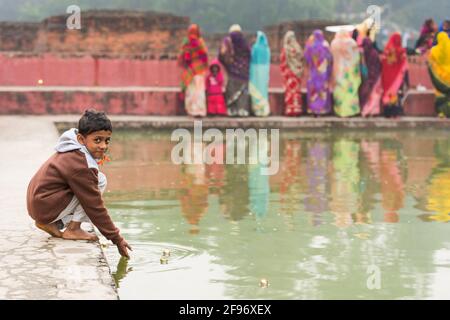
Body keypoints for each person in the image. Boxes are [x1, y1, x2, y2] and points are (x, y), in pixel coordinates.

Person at [26, 109, 132, 258]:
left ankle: (52, 223)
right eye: (97, 140)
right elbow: (94, 206)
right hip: (44, 206)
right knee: (97, 183)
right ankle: (73, 229)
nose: (103, 146)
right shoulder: (81, 165)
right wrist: (116, 238)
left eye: (107, 140)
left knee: (98, 178)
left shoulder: (73, 146)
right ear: (81, 139)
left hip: (40, 204)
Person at [219, 24, 252, 117]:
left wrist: (228, 65)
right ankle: (243, 111)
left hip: (232, 71)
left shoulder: (228, 41)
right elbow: (249, 55)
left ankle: (232, 111)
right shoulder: (245, 43)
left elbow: (221, 55)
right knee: (243, 92)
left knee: (232, 91)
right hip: (244, 72)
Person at [178, 24, 209, 117]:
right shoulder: (201, 42)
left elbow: (184, 57)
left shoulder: (187, 43)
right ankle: (200, 110)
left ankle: (192, 110)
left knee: (191, 91)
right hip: (199, 70)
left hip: (190, 70)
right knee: (199, 91)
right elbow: (205, 56)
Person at [330, 30, 361, 118]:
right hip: (350, 72)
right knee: (350, 91)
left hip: (338, 72)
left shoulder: (334, 43)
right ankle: (350, 111)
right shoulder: (352, 43)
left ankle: (340, 111)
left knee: (340, 91)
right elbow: (356, 58)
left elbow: (331, 58)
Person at [304, 30, 333, 116]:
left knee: (314, 90)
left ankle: (314, 109)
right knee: (322, 89)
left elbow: (306, 57)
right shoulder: (325, 46)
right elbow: (330, 59)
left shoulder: (310, 46)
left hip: (313, 73)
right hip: (323, 73)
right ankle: (322, 109)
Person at [381, 32, 409, 118]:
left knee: (388, 94)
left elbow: (384, 62)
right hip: (397, 78)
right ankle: (395, 113)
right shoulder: (401, 51)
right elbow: (404, 65)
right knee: (396, 94)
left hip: (387, 78)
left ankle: (387, 113)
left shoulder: (387, 49)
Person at [280, 31, 304, 117]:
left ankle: (290, 109)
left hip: (289, 73)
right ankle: (297, 109)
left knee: (290, 92)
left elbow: (283, 61)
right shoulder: (298, 48)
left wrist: (284, 71)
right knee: (296, 91)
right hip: (297, 74)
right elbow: (301, 59)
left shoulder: (286, 49)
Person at [428, 32, 450, 117]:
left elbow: (431, 63)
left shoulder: (433, 50)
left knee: (440, 94)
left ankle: (441, 113)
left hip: (439, 77)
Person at [249, 31, 271, 117]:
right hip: (265, 71)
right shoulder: (267, 49)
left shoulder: (255, 47)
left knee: (255, 88)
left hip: (255, 70)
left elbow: (251, 58)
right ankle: (264, 110)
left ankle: (257, 109)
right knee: (263, 89)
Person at [359, 37, 383, 117]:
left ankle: (366, 110)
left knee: (367, 94)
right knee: (374, 95)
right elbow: (379, 65)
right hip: (375, 76)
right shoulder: (375, 53)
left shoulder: (363, 53)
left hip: (366, 77)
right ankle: (373, 111)